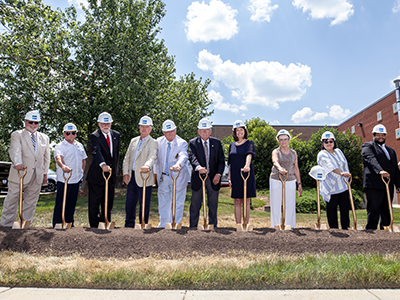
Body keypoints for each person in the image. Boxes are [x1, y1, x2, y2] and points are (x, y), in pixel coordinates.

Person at [0, 110, 50, 227]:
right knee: (12, 199)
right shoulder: (17, 134)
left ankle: (25, 224)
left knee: (31, 202)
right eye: (30, 122)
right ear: (25, 122)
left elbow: (46, 157)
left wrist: (45, 173)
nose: (33, 125)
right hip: (20, 173)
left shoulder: (44, 138)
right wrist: (18, 162)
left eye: (36, 122)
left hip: (36, 175)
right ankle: (6, 225)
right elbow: (15, 149)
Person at [86, 112, 121, 228]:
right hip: (97, 175)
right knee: (95, 203)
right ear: (99, 124)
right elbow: (96, 152)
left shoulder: (116, 135)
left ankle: (105, 223)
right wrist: (103, 165)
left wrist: (114, 170)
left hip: (110, 175)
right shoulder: (94, 136)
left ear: (111, 123)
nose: (106, 125)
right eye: (103, 123)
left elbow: (116, 155)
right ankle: (95, 226)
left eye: (108, 123)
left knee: (108, 201)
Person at [189, 118, 225, 228]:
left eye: (207, 130)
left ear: (210, 131)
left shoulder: (217, 143)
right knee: (195, 204)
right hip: (198, 177)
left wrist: (218, 174)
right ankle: (193, 226)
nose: (204, 132)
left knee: (213, 204)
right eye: (202, 130)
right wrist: (198, 167)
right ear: (198, 131)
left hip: (213, 178)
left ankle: (212, 225)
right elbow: (192, 157)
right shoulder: (193, 143)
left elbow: (221, 160)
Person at [362, 124, 400, 230]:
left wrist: (398, 184)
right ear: (373, 135)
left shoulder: (391, 151)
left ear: (385, 136)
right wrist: (380, 171)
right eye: (378, 135)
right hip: (374, 184)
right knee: (374, 209)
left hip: (388, 184)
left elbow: (395, 168)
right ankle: (371, 230)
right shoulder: (368, 146)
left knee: (387, 208)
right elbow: (371, 159)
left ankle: (386, 229)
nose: (380, 137)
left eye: (383, 135)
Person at [123, 116, 158, 227]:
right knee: (130, 203)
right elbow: (127, 158)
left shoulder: (153, 142)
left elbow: (152, 156)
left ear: (150, 129)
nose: (144, 129)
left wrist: (147, 165)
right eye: (142, 126)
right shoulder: (133, 140)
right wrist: (125, 173)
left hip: (145, 177)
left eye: (146, 127)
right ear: (139, 127)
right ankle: (129, 225)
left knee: (144, 204)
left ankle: (143, 224)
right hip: (132, 176)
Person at [154, 120, 190, 228]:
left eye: (172, 131)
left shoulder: (182, 142)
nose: (170, 134)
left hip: (177, 177)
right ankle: (163, 225)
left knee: (178, 202)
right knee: (163, 202)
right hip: (163, 177)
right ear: (164, 133)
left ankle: (175, 223)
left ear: (175, 130)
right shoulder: (158, 142)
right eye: (167, 132)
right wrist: (155, 175)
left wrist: (178, 164)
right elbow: (156, 160)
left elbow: (183, 155)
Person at [52, 123, 87, 228]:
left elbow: (83, 159)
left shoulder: (79, 145)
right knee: (61, 203)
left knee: (72, 203)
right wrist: (63, 166)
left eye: (73, 133)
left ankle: (69, 223)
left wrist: (81, 171)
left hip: (76, 179)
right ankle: (58, 223)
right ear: (64, 134)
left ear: (76, 134)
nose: (71, 135)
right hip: (64, 180)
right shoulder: (60, 146)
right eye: (68, 133)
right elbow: (58, 158)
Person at [317, 131, 351, 229]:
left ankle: (346, 227)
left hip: (343, 184)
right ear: (323, 144)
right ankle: (334, 228)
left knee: (345, 208)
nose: (328, 143)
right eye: (326, 142)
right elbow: (330, 166)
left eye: (331, 141)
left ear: (334, 142)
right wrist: (341, 173)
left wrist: (347, 176)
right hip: (331, 186)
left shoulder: (339, 151)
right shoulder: (322, 154)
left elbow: (345, 164)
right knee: (332, 209)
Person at [269, 129, 302, 228]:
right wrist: (280, 169)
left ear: (289, 139)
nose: (283, 141)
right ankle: (275, 225)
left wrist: (299, 183)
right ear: (278, 141)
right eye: (281, 139)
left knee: (290, 204)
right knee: (276, 203)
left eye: (285, 139)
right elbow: (275, 161)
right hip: (276, 178)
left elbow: (296, 168)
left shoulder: (293, 153)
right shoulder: (276, 151)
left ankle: (290, 225)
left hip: (290, 179)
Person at [228, 120, 256, 225]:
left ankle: (246, 223)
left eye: (241, 130)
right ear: (234, 132)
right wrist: (229, 177)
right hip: (235, 174)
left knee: (246, 200)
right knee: (237, 200)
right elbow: (230, 162)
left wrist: (247, 165)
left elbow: (249, 154)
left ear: (245, 131)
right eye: (237, 130)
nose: (239, 132)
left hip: (246, 174)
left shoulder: (249, 143)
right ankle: (238, 224)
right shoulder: (232, 145)